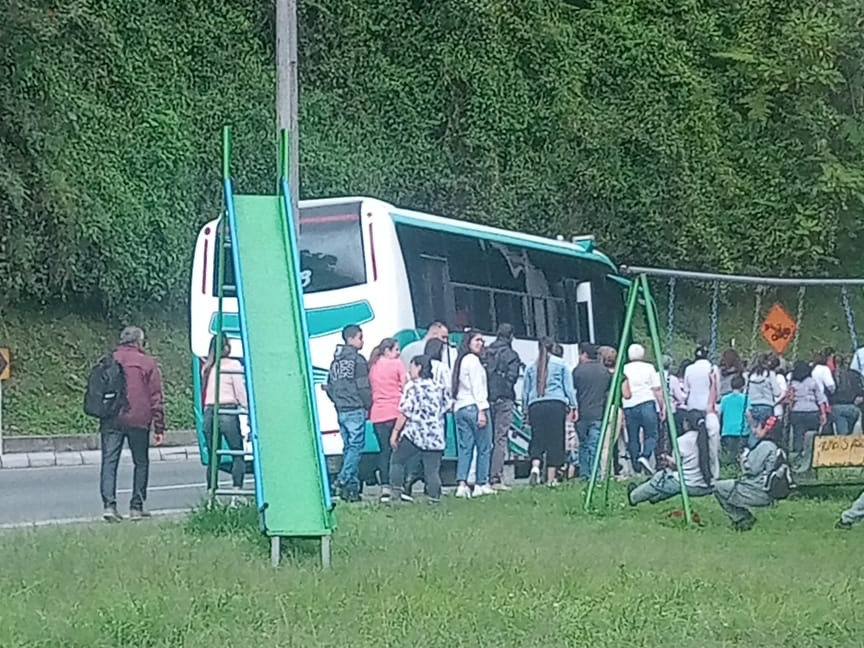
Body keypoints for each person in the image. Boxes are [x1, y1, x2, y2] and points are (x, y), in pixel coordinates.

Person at [100, 326, 165, 522]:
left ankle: (109, 507)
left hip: (111, 418)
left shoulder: (110, 360)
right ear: (139, 342)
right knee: (141, 462)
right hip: (138, 418)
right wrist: (159, 426)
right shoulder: (147, 363)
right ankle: (136, 507)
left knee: (109, 462)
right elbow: (155, 396)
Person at [388, 355, 452, 504]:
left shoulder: (412, 386)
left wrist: (395, 432)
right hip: (435, 434)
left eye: (411, 367)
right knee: (432, 470)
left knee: (397, 460)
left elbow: (406, 411)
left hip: (415, 433)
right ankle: (434, 499)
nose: (409, 370)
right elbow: (447, 407)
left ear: (418, 367)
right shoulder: (439, 387)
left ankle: (396, 493)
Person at [325, 324, 372, 502]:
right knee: (356, 447)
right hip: (355, 407)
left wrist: (337, 401)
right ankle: (343, 479)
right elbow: (363, 386)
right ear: (351, 338)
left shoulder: (335, 362)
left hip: (341, 409)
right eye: (360, 337)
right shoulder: (358, 360)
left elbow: (329, 386)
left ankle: (351, 490)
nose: (362, 341)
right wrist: (368, 405)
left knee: (348, 448)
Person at [627, 409, 713, 505]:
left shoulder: (682, 441)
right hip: (704, 483)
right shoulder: (708, 439)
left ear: (687, 423)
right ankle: (655, 498)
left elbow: (676, 466)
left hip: (687, 483)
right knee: (666, 482)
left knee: (659, 479)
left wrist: (666, 458)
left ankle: (634, 496)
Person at [523, 337, 577, 487]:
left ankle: (535, 467)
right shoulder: (560, 364)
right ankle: (551, 479)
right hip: (555, 404)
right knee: (555, 441)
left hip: (535, 405)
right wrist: (573, 406)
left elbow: (525, 392)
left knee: (537, 439)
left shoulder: (531, 367)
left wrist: (525, 411)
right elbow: (568, 388)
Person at [713, 416, 783, 531]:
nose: (754, 431)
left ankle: (741, 517)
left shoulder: (766, 446)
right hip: (765, 490)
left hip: (755, 490)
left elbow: (751, 469)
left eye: (758, 427)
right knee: (725, 486)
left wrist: (744, 457)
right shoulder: (776, 446)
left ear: (766, 429)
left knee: (716, 487)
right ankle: (742, 518)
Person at [201, 336, 248, 495]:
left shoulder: (208, 367)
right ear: (227, 347)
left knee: (214, 455)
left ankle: (211, 493)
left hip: (209, 411)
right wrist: (249, 409)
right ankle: (237, 492)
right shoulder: (233, 365)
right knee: (237, 452)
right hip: (227, 410)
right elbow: (240, 393)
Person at [452, 329, 492, 498]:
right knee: (484, 447)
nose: (480, 343)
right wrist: (482, 410)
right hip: (475, 406)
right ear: (468, 342)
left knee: (465, 448)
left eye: (482, 341)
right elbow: (478, 387)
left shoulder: (460, 360)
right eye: (477, 340)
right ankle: (481, 483)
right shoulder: (474, 361)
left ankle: (462, 484)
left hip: (460, 407)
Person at [368, 338, 406, 503]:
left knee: (384, 451)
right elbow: (405, 386)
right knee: (398, 451)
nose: (398, 353)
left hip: (377, 414)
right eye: (396, 349)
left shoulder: (373, 366)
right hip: (395, 412)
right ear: (388, 351)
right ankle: (398, 484)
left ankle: (384, 486)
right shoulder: (397, 364)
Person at [484, 324, 521, 490]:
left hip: (486, 399)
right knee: (500, 438)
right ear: (511, 336)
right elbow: (512, 378)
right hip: (504, 399)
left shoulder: (486, 352)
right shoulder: (511, 355)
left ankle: (482, 475)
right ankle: (495, 477)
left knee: (486, 439)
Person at [621, 344, 665, 475]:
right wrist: (661, 406)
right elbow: (657, 389)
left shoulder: (623, 368)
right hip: (646, 402)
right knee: (652, 433)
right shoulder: (649, 368)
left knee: (633, 436)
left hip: (629, 404)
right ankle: (645, 456)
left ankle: (636, 465)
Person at [571, 343, 611, 481]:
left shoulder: (578, 371)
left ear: (584, 354)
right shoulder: (604, 371)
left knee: (583, 444)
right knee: (595, 445)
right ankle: (596, 474)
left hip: (581, 413)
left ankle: (584, 474)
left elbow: (573, 390)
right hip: (598, 413)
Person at [786, 360, 828, 454]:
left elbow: (790, 399)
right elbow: (820, 399)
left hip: (797, 411)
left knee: (798, 434)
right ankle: (813, 453)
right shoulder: (812, 382)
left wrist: (790, 409)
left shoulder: (792, 383)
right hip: (812, 410)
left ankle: (798, 454)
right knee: (813, 434)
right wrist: (823, 414)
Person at [831, 355, 864, 435]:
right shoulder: (855, 374)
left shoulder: (831, 374)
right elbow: (860, 389)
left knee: (843, 434)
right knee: (849, 431)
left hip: (837, 406)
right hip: (853, 406)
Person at [746, 353, 781, 426]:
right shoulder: (770, 374)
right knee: (766, 432)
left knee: (753, 431)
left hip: (752, 406)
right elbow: (777, 393)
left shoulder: (749, 375)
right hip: (767, 406)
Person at [719, 374, 748, 457]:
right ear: (743, 386)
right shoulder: (745, 398)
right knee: (740, 456)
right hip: (741, 431)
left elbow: (720, 413)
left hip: (727, 431)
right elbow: (748, 413)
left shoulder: (724, 399)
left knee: (729, 455)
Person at [683, 345, 717, 413]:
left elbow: (686, 389)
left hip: (692, 405)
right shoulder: (713, 368)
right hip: (708, 405)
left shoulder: (689, 369)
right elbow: (717, 388)